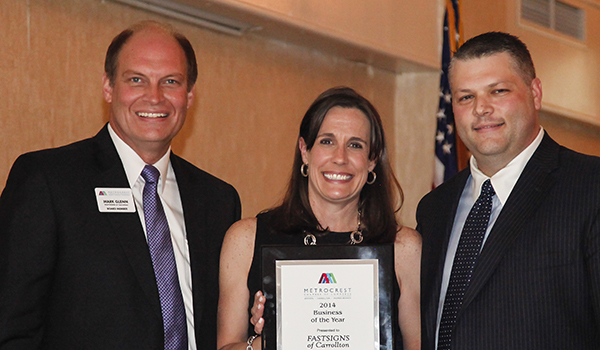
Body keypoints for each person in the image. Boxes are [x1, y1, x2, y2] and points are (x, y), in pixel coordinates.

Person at [0, 21, 240, 349]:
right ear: (108, 87)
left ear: (189, 95)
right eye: (136, 79)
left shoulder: (219, 201)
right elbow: (11, 329)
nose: (155, 97)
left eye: (170, 81)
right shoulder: (48, 181)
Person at [417, 31, 600, 350]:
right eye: (465, 97)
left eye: (498, 91)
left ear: (535, 92)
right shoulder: (433, 209)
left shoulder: (591, 186)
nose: (481, 109)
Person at [216, 87, 421, 350]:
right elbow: (225, 346)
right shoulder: (245, 239)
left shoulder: (405, 248)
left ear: (372, 160)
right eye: (327, 141)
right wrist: (268, 342)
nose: (340, 158)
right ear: (305, 150)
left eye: (355, 145)